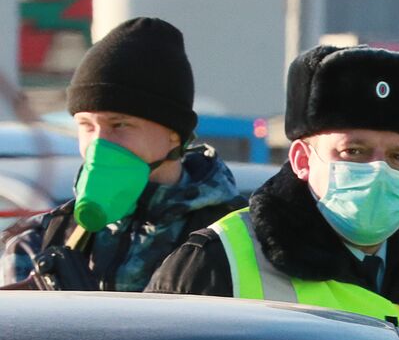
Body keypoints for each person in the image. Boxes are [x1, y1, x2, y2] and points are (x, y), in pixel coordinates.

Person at [147, 45, 399, 329]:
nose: (378, 169)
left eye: (398, 157)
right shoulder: (218, 260)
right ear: (302, 159)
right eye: (354, 151)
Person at [0, 17, 242, 291]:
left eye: (120, 125)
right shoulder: (38, 241)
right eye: (87, 126)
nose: (99, 143)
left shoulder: (234, 240)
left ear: (175, 133)